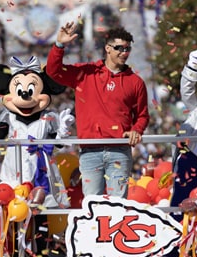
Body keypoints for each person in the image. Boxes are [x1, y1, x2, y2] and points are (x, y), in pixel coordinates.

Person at [46, 22, 149, 197]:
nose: (124, 53)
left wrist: (136, 130)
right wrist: (59, 45)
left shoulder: (136, 82)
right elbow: (53, 71)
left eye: (127, 49)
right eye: (119, 48)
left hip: (120, 151)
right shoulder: (86, 73)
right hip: (90, 151)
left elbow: (142, 116)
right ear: (107, 48)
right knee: (92, 206)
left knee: (118, 206)